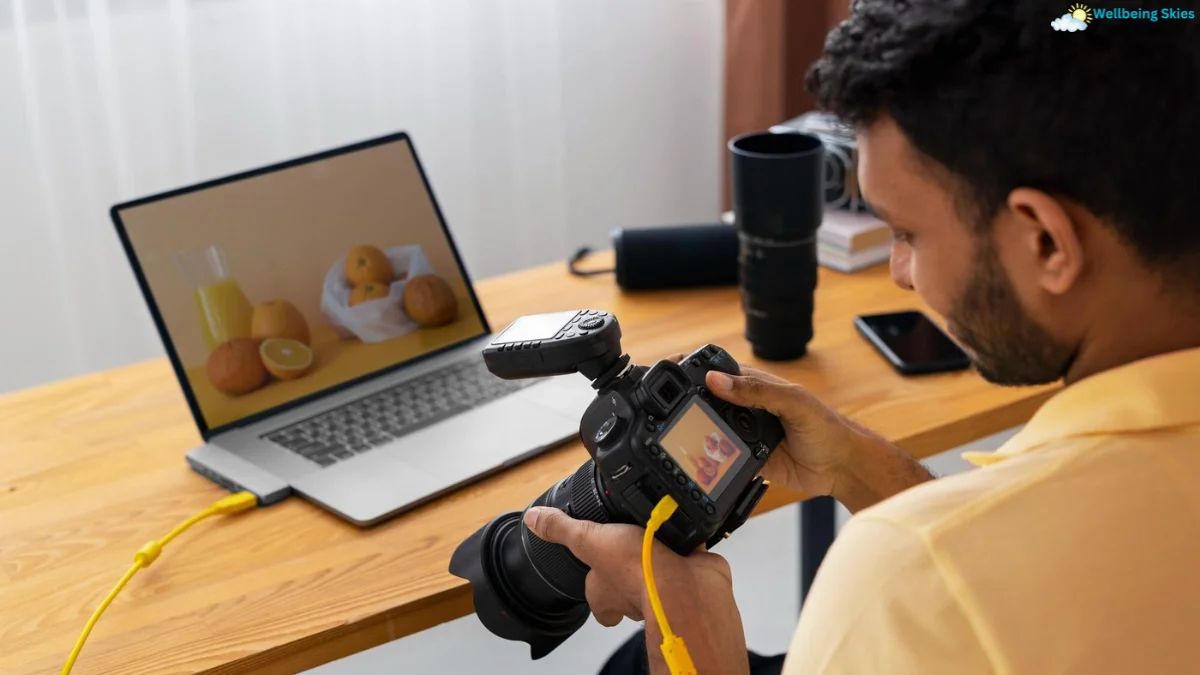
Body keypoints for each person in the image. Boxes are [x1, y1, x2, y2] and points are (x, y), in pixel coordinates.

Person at [522, 1, 1200, 673]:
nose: (899, 275)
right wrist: (849, 461)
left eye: (905, 234)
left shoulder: (897, 581)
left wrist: (687, 631)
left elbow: (954, 575)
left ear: (1046, 241)